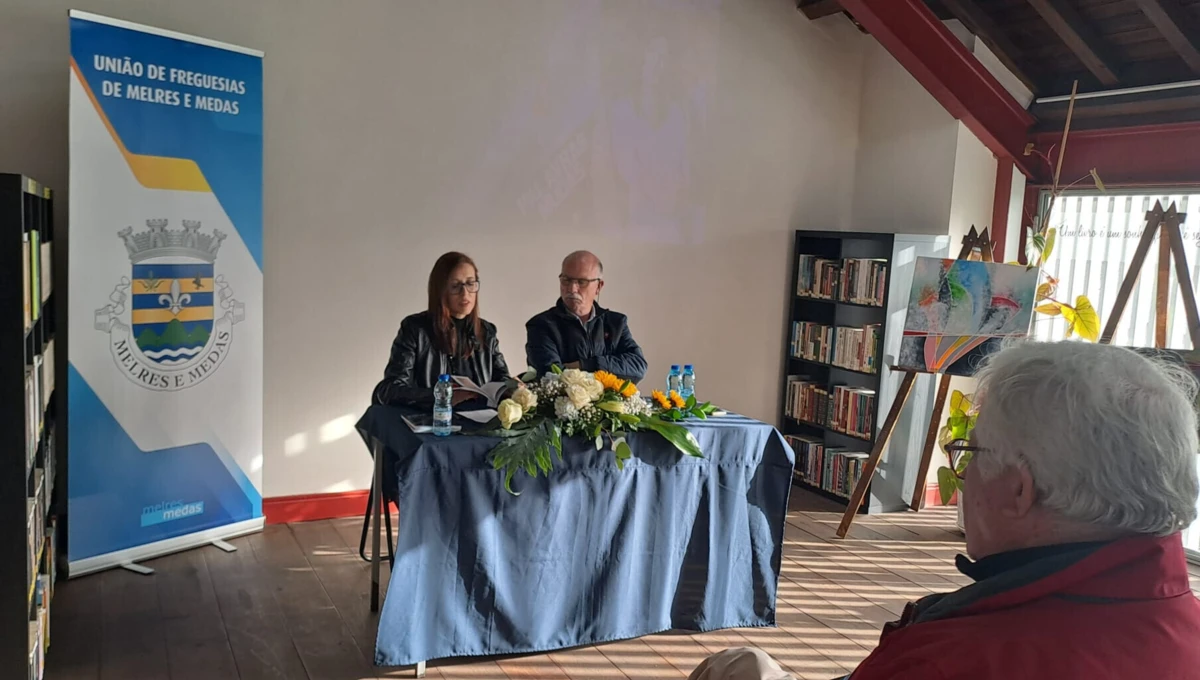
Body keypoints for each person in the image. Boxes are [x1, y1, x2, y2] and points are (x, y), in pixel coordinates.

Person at [689, 341, 1200, 680]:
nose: (964, 475)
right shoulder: (1181, 621)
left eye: (970, 453)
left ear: (1019, 492)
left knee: (738, 666)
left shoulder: (956, 660)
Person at [372, 252, 509, 408]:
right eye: (455, 286)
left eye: (470, 283)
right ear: (441, 290)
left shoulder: (487, 331)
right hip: (433, 423)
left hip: (480, 424)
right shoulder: (415, 329)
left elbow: (502, 380)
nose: (465, 293)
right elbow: (389, 390)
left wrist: (513, 388)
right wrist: (442, 396)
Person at [525, 250, 647, 383]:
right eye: (566, 280)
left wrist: (585, 365)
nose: (572, 289)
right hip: (563, 403)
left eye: (581, 282)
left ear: (599, 287)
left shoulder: (615, 323)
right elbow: (551, 376)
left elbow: (638, 366)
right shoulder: (541, 325)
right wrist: (606, 371)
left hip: (613, 402)